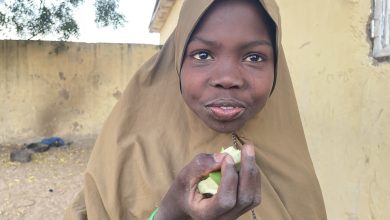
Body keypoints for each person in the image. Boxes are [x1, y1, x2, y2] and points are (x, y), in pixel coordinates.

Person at [65, 0, 327, 219]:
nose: (227, 78)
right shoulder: (126, 155)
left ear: (277, 69)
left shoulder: (294, 169)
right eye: (203, 55)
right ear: (177, 63)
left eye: (254, 57)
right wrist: (170, 214)